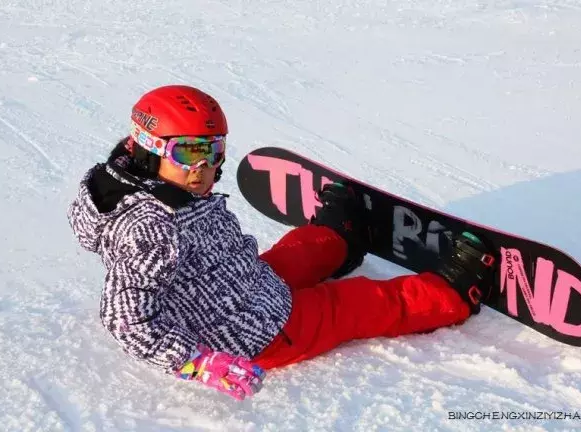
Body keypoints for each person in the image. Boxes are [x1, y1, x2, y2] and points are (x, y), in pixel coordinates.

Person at [67, 84, 497, 401]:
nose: (203, 168)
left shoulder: (133, 184)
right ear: (147, 150)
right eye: (186, 154)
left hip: (239, 283)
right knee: (356, 304)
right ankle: (452, 294)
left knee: (296, 256)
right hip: (255, 332)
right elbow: (125, 319)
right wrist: (196, 361)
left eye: (213, 151)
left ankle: (338, 240)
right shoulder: (149, 227)